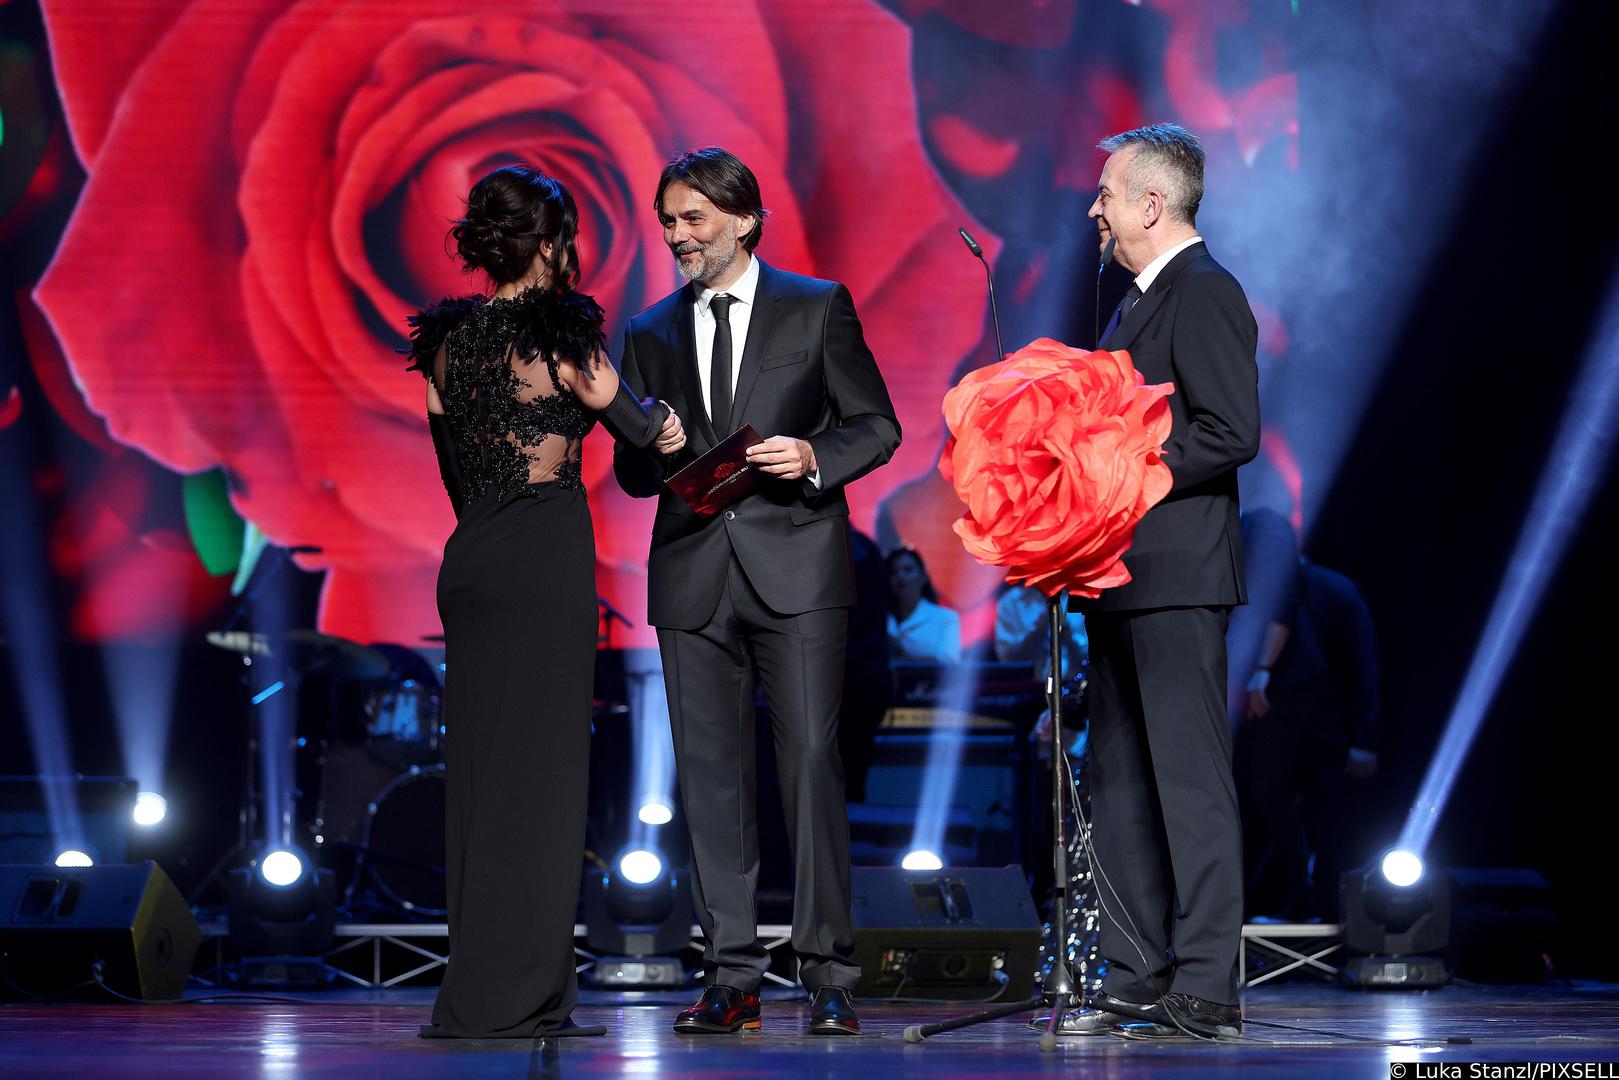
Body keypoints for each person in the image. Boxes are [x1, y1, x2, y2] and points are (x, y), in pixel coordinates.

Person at [612, 147, 901, 1037]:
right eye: (668, 221)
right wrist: (652, 445)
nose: (678, 236)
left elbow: (876, 426)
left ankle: (827, 974)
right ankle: (731, 975)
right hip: (692, 573)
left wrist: (814, 455)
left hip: (797, 566)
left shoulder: (815, 306)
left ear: (743, 220)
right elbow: (630, 474)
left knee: (809, 763)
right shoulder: (649, 331)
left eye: (693, 219)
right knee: (709, 779)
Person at [405, 165, 684, 1039]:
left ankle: (488, 990)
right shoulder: (562, 336)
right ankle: (517, 997)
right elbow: (640, 429)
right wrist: (667, 422)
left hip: (472, 565)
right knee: (543, 781)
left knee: (482, 777)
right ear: (553, 244)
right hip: (541, 564)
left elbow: (456, 478)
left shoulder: (444, 347)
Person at [1048, 124, 1260, 1040]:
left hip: (1175, 573)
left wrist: (1122, 473)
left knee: (1186, 780)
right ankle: (1134, 973)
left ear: (1150, 204)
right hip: (1115, 574)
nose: (1092, 210)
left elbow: (1230, 430)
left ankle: (1206, 983)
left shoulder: (1203, 290)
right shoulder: (1134, 302)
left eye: (1105, 194)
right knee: (1120, 783)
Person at [1233, 509, 1381, 921]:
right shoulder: (1254, 596)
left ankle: (1324, 908)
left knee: (1325, 821)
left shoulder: (1334, 590)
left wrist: (1365, 740)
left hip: (1326, 734)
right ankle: (1294, 900)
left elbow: (1363, 667)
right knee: (1266, 807)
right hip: (1276, 726)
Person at [886, 547, 962, 663]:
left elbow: (948, 665)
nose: (900, 576)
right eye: (894, 572)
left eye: (908, 570)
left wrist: (902, 652)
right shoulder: (877, 618)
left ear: (923, 577)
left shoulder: (946, 618)